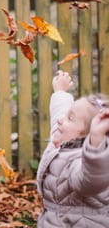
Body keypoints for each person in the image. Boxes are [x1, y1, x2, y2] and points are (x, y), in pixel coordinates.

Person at [36, 70, 109, 227]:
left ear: (84, 135)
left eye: (70, 118)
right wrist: (60, 92)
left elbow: (92, 179)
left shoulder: (82, 161)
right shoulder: (63, 139)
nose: (62, 120)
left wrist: (96, 141)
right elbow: (59, 113)